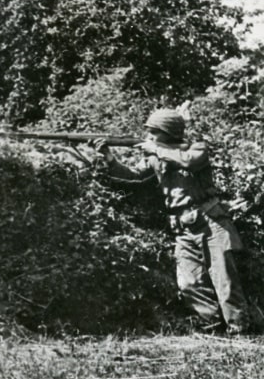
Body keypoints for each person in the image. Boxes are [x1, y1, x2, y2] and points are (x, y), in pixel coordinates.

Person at [91, 109, 251, 334]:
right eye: (149, 132)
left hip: (211, 223)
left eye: (155, 132)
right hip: (182, 228)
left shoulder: (197, 148)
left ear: (169, 133)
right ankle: (212, 329)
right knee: (189, 283)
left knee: (225, 281)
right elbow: (133, 177)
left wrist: (155, 149)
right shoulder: (155, 155)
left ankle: (240, 331)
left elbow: (189, 162)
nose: (150, 137)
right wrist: (108, 156)